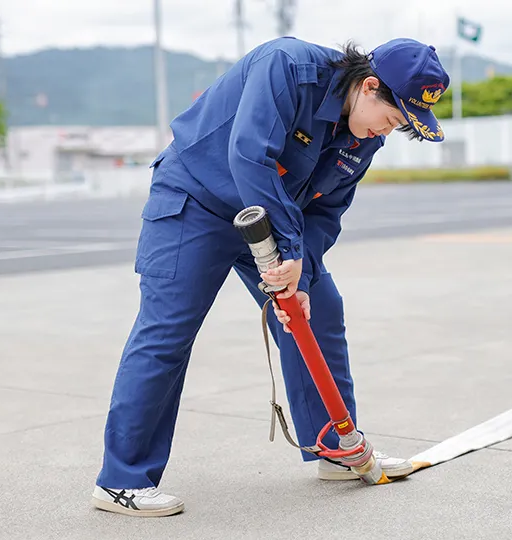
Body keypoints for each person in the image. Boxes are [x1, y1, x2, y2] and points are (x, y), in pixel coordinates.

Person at [90, 35, 450, 517]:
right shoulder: (287, 66)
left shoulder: (363, 138)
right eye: (390, 119)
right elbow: (248, 155)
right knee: (168, 330)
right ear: (368, 87)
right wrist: (289, 248)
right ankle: (122, 480)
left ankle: (336, 446)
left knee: (319, 309)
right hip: (197, 203)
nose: (383, 133)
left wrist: (298, 278)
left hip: (272, 221)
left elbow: (327, 213)